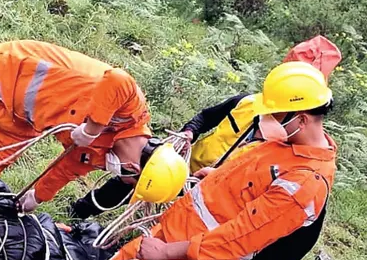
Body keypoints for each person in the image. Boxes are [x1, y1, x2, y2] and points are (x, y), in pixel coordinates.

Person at [61, 61, 337, 260]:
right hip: (174, 231)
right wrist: (218, 177)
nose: (265, 122)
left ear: (301, 119)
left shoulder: (303, 184)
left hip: (189, 259)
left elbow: (237, 239)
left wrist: (167, 252)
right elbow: (253, 178)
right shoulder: (287, 144)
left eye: (274, 116)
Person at [69, 35, 340, 219]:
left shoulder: (295, 141)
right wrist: (189, 132)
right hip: (183, 166)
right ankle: (79, 211)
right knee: (131, 175)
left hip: (217, 195)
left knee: (172, 225)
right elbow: (206, 117)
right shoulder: (246, 102)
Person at [0, 40, 152, 212]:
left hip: (18, 122)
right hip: (6, 72)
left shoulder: (103, 153)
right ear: (136, 167)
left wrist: (37, 196)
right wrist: (93, 129)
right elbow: (118, 80)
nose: (118, 174)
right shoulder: (131, 110)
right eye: (127, 178)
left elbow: (68, 167)